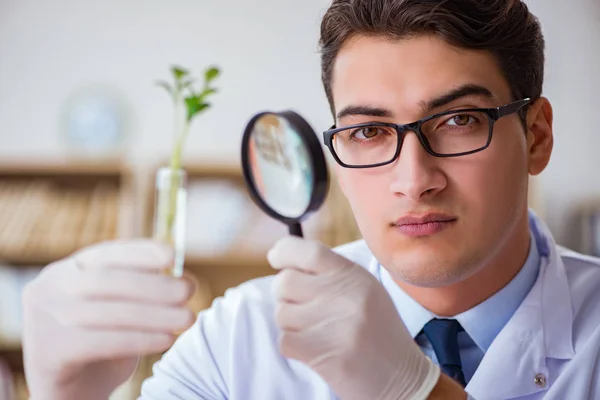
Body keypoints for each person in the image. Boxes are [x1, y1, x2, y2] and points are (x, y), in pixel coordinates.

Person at [20, 0, 600, 399]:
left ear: (537, 137)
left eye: (459, 120)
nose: (413, 179)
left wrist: (413, 391)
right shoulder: (237, 338)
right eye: (369, 132)